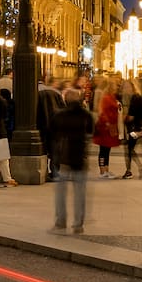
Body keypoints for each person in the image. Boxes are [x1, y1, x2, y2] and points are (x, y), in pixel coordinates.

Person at [51, 87, 93, 235]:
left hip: (64, 158)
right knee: (80, 193)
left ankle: (61, 221)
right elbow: (90, 133)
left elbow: (54, 136)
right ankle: (78, 224)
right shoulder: (86, 115)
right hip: (80, 157)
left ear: (65, 99)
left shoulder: (60, 115)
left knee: (61, 193)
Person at [125, 80, 142, 179]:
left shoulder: (135, 98)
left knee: (130, 149)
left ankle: (139, 169)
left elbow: (131, 116)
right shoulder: (141, 97)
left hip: (135, 128)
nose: (125, 89)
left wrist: (124, 118)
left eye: (126, 87)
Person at [93, 81, 122, 178]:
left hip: (110, 125)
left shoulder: (111, 97)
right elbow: (103, 112)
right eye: (115, 86)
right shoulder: (106, 98)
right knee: (103, 149)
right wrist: (107, 122)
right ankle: (102, 171)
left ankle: (106, 169)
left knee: (107, 149)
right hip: (105, 127)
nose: (117, 88)